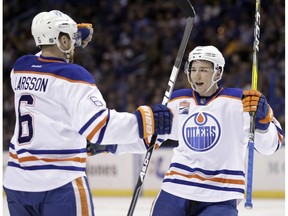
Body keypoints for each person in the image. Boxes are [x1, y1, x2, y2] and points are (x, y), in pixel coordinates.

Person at [3, 10, 173, 216]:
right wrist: (147, 121)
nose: (76, 44)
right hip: (59, 184)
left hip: (17, 183)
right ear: (62, 40)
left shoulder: (20, 69)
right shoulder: (74, 77)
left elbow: (52, 106)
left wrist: (67, 36)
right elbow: (101, 128)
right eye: (71, 38)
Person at [146, 45, 283, 216]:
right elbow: (149, 139)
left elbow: (270, 146)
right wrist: (117, 142)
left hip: (222, 194)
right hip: (175, 189)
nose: (196, 75)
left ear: (218, 73)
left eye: (203, 69)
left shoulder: (241, 101)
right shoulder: (177, 100)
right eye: (193, 69)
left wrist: (263, 122)